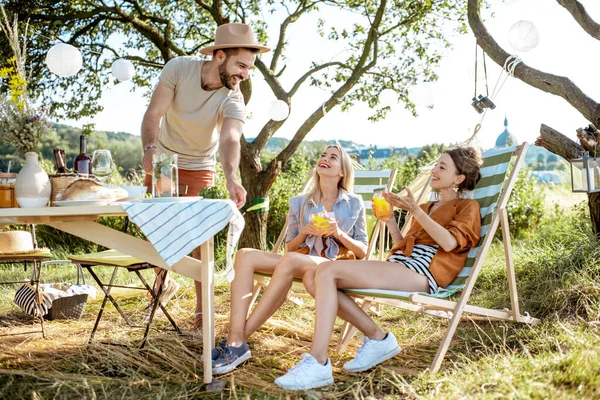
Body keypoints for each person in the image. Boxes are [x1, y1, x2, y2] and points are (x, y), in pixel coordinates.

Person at [274, 147, 483, 390]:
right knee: (312, 276)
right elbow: (402, 247)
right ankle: (377, 337)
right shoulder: (427, 207)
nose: (434, 170)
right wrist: (391, 222)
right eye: (436, 165)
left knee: (327, 271)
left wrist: (414, 210)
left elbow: (448, 242)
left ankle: (318, 362)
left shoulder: (468, 207)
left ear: (458, 179)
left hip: (424, 274)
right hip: (401, 266)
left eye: (442, 167)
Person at [140, 23, 270, 329]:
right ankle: (163, 283)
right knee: (155, 230)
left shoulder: (234, 99)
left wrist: (231, 177)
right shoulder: (179, 69)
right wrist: (149, 147)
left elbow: (229, 140)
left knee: (201, 240)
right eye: (241, 65)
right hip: (163, 162)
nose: (245, 74)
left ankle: (201, 313)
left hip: (200, 166)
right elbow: (154, 113)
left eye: (250, 68)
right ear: (220, 55)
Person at [211, 145, 368, 375]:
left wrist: (337, 233)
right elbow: (289, 247)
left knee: (291, 261)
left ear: (342, 171)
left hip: (332, 265)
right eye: (323, 154)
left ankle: (236, 343)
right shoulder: (299, 202)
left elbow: (362, 251)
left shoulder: (354, 203)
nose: (325, 158)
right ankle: (236, 338)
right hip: (300, 258)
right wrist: (306, 231)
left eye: (333, 157)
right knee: (245, 255)